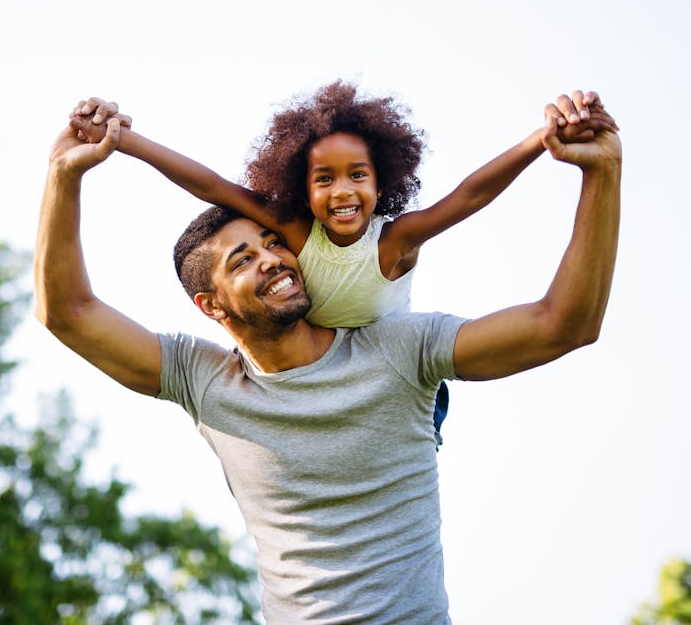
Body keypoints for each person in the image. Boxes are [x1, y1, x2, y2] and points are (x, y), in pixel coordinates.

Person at [34, 93, 622, 623]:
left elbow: (563, 324)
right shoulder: (204, 381)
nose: (271, 259)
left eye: (272, 244)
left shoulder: (400, 349)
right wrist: (64, 175)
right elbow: (68, 311)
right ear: (210, 306)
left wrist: (602, 174)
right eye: (241, 260)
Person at [70, 84, 616, 447]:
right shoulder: (292, 234)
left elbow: (468, 196)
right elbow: (212, 184)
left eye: (358, 175)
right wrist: (127, 142)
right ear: (300, 190)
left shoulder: (393, 242)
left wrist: (537, 143)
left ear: (382, 182)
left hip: (394, 381)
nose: (343, 192)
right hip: (317, 375)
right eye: (324, 179)